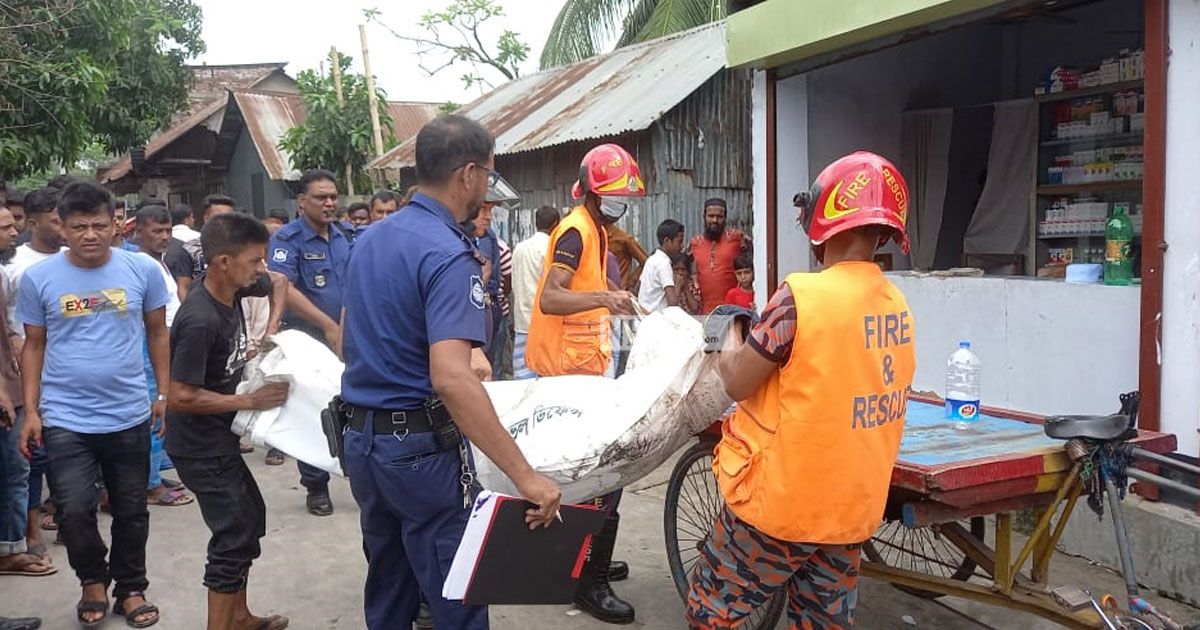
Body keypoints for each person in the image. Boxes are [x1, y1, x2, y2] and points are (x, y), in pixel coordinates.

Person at [340, 115, 561, 630]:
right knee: (456, 594)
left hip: (363, 444)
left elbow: (348, 334)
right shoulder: (448, 252)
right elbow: (451, 377)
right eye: (487, 174)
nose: (486, 186)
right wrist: (525, 476)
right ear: (468, 175)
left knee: (390, 583)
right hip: (418, 454)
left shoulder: (370, 240)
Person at [686, 152, 916, 629]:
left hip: (782, 507)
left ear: (822, 221)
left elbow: (737, 380)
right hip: (849, 510)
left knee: (711, 611)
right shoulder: (897, 305)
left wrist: (721, 343)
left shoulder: (800, 297)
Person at [17, 181, 171, 627]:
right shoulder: (39, 278)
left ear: (116, 224)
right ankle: (92, 581)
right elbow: (33, 345)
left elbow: (159, 332)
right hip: (66, 416)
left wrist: (161, 394)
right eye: (79, 226)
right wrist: (32, 410)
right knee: (74, 507)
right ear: (61, 227)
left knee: (131, 508)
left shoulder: (140, 270)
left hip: (128, 413)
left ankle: (131, 587)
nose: (90, 235)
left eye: (99, 225)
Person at [525, 143, 642, 624]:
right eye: (615, 194)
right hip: (566, 375)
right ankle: (587, 582)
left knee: (592, 478)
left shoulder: (595, 229)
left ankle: (585, 561)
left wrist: (613, 297)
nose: (622, 203)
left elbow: (582, 294)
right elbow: (552, 298)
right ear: (593, 194)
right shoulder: (575, 232)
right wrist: (605, 299)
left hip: (583, 370)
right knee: (600, 479)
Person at [166, 213, 291, 630]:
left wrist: (275, 328)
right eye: (255, 261)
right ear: (222, 261)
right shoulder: (199, 319)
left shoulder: (234, 289)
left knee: (249, 520)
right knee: (233, 534)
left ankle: (239, 617)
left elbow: (278, 283)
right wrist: (249, 399)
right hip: (199, 447)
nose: (261, 269)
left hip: (222, 438)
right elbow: (181, 396)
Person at [266, 168, 351, 516]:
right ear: (302, 202)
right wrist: (329, 326)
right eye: (321, 197)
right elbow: (283, 285)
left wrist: (344, 327)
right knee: (314, 410)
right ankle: (315, 486)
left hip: (349, 333)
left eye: (333, 196)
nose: (329, 203)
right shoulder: (287, 239)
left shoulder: (347, 235)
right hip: (309, 335)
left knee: (353, 403)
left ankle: (358, 474)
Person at [0, 205, 56, 582]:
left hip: (14, 383)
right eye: (4, 227)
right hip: (5, 390)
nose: (13, 231)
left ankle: (12, 544)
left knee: (18, 467)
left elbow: (7, 325)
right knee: (16, 468)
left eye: (12, 224)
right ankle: (11, 548)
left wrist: (17, 341)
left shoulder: (3, 274)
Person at [510, 206, 560, 380]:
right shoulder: (551, 248)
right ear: (555, 224)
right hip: (544, 321)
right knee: (548, 376)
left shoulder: (519, 248)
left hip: (522, 321)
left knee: (523, 377)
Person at [690, 198, 751, 314]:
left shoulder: (738, 238)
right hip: (704, 313)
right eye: (711, 216)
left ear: (725, 218)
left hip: (734, 311)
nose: (715, 220)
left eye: (719, 217)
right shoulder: (694, 243)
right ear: (704, 217)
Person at [637, 219, 686, 314]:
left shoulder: (651, 259)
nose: (682, 246)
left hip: (644, 319)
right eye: (679, 242)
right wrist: (678, 285)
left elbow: (638, 289)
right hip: (657, 322)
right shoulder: (663, 264)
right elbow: (672, 304)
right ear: (667, 241)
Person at [604, 222, 648, 292]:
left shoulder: (623, 239)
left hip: (619, 290)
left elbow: (646, 262)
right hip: (600, 290)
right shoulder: (595, 235)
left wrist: (632, 280)